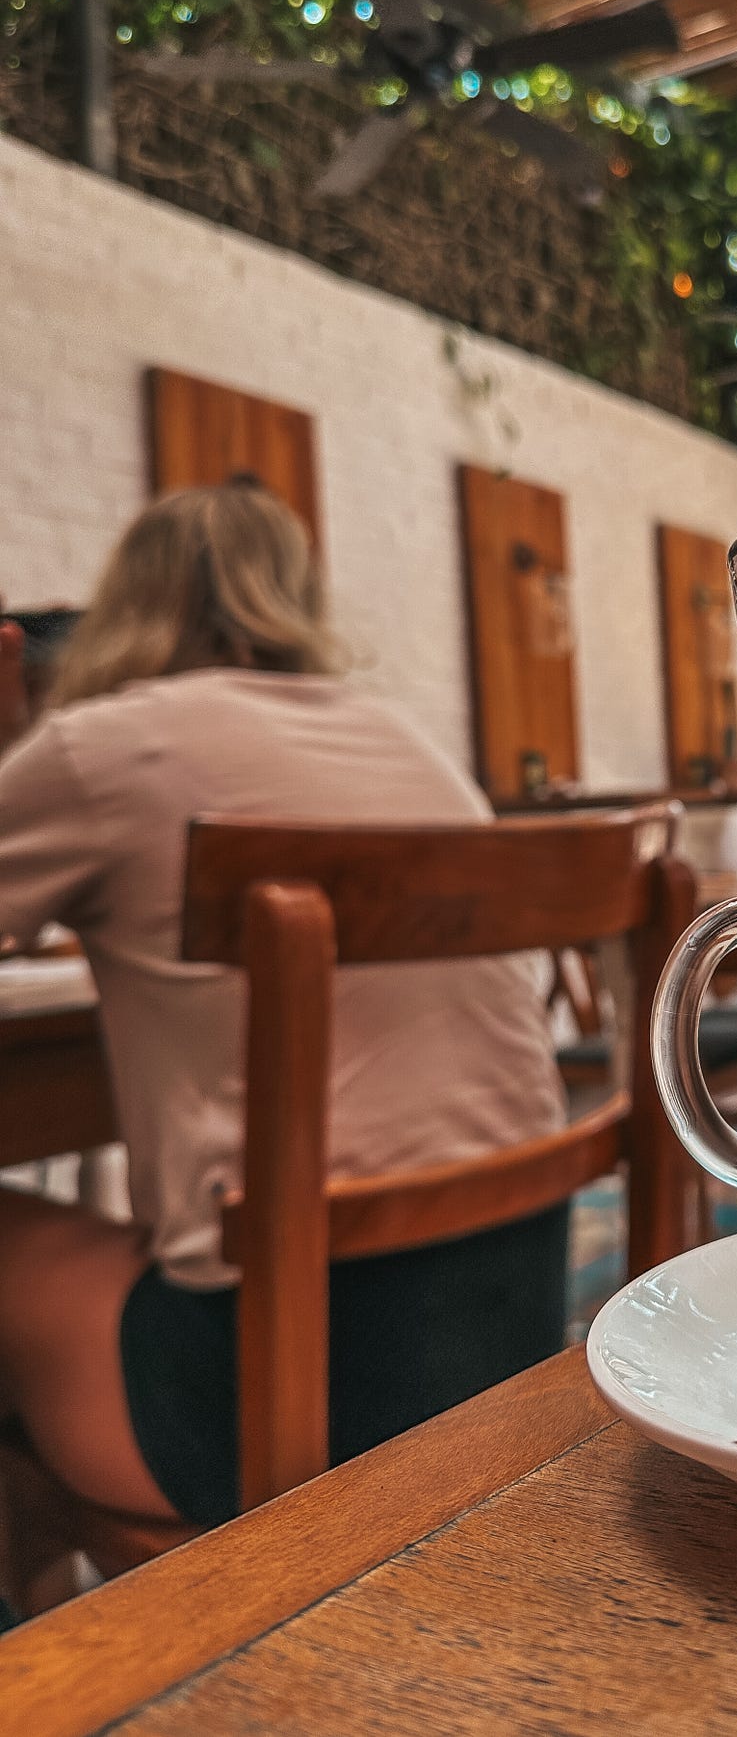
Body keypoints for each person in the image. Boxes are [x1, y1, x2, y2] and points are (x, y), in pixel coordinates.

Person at [0, 479, 568, 1579]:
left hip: (288, 1400)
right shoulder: (403, 737)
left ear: (127, 599)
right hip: (514, 1332)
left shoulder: (92, 746)